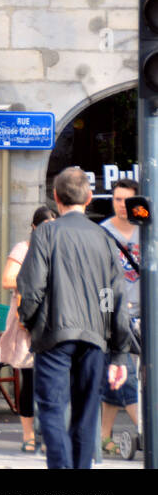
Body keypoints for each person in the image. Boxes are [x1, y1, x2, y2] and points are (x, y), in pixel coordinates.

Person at [17, 167, 134, 470]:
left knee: (53, 410)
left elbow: (31, 289)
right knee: (85, 412)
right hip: (94, 336)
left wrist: (30, 324)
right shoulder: (105, 238)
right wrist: (120, 354)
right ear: (90, 197)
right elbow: (117, 298)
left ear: (55, 198)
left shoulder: (45, 233)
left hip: (54, 334)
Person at [0, 205, 56, 453]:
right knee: (30, 378)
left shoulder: (58, 249)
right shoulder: (23, 249)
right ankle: (28, 434)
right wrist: (36, 280)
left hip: (54, 320)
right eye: (43, 227)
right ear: (34, 227)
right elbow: (7, 280)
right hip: (28, 320)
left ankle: (50, 433)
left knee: (52, 380)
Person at [99, 177, 143, 455]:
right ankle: (148, 432)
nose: (122, 206)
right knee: (123, 373)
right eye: (117, 199)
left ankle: (104, 436)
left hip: (147, 314)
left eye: (128, 200)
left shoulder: (148, 230)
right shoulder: (102, 233)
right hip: (115, 316)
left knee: (118, 375)